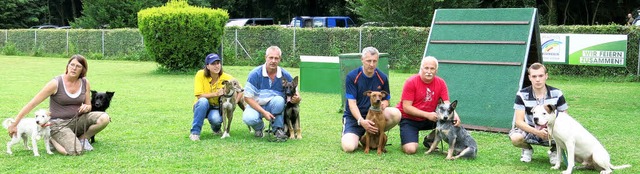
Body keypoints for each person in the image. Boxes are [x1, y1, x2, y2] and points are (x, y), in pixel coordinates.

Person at [6, 55, 110, 155]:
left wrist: (87, 107)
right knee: (75, 151)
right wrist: (14, 124)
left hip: (77, 120)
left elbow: (89, 105)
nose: (74, 68)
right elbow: (32, 103)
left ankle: (82, 139)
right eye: (72, 65)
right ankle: (52, 138)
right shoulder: (56, 83)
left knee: (104, 118)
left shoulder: (85, 82)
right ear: (67, 66)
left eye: (78, 66)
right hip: (58, 124)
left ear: (83, 70)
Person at [395, 56, 461, 154]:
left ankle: (430, 139)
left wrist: (455, 115)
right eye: (426, 68)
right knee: (410, 150)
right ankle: (407, 139)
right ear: (421, 68)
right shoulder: (411, 82)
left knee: (451, 120)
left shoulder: (441, 83)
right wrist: (427, 115)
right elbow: (406, 108)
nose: (429, 71)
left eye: (432, 68)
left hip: (430, 118)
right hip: (409, 119)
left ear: (436, 70)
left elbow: (446, 103)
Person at [341, 46, 401, 153]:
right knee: (348, 147)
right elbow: (352, 104)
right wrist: (361, 121)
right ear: (362, 60)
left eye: (374, 61)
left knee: (396, 113)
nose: (372, 64)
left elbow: (387, 99)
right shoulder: (352, 76)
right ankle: (357, 135)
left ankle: (376, 134)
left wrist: (383, 104)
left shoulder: (382, 77)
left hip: (375, 116)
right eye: (368, 61)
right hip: (355, 118)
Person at [509, 62, 568, 164]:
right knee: (515, 138)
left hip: (552, 130)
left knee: (568, 135)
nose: (537, 79)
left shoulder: (557, 93)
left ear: (546, 76)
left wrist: (551, 130)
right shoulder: (522, 94)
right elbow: (519, 122)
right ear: (529, 78)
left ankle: (554, 151)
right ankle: (527, 149)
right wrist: (537, 132)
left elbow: (565, 118)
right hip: (530, 129)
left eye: (541, 76)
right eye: (534, 76)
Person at [242, 46, 300, 141]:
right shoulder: (255, 74)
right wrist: (263, 112)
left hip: (273, 105)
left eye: (276, 58)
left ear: (280, 59)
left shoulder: (284, 74)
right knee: (248, 118)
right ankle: (259, 128)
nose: (273, 61)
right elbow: (247, 98)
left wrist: (298, 97)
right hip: (256, 105)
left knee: (279, 100)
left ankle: (277, 129)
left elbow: (295, 87)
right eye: (271, 57)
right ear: (266, 58)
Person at [190, 53, 244, 141]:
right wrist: (215, 94)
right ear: (207, 66)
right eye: (213, 64)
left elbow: (241, 89)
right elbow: (199, 95)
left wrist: (235, 102)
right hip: (201, 106)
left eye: (218, 63)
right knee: (203, 101)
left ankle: (216, 129)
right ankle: (195, 133)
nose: (216, 66)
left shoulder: (227, 77)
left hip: (216, 107)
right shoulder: (200, 74)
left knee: (216, 119)